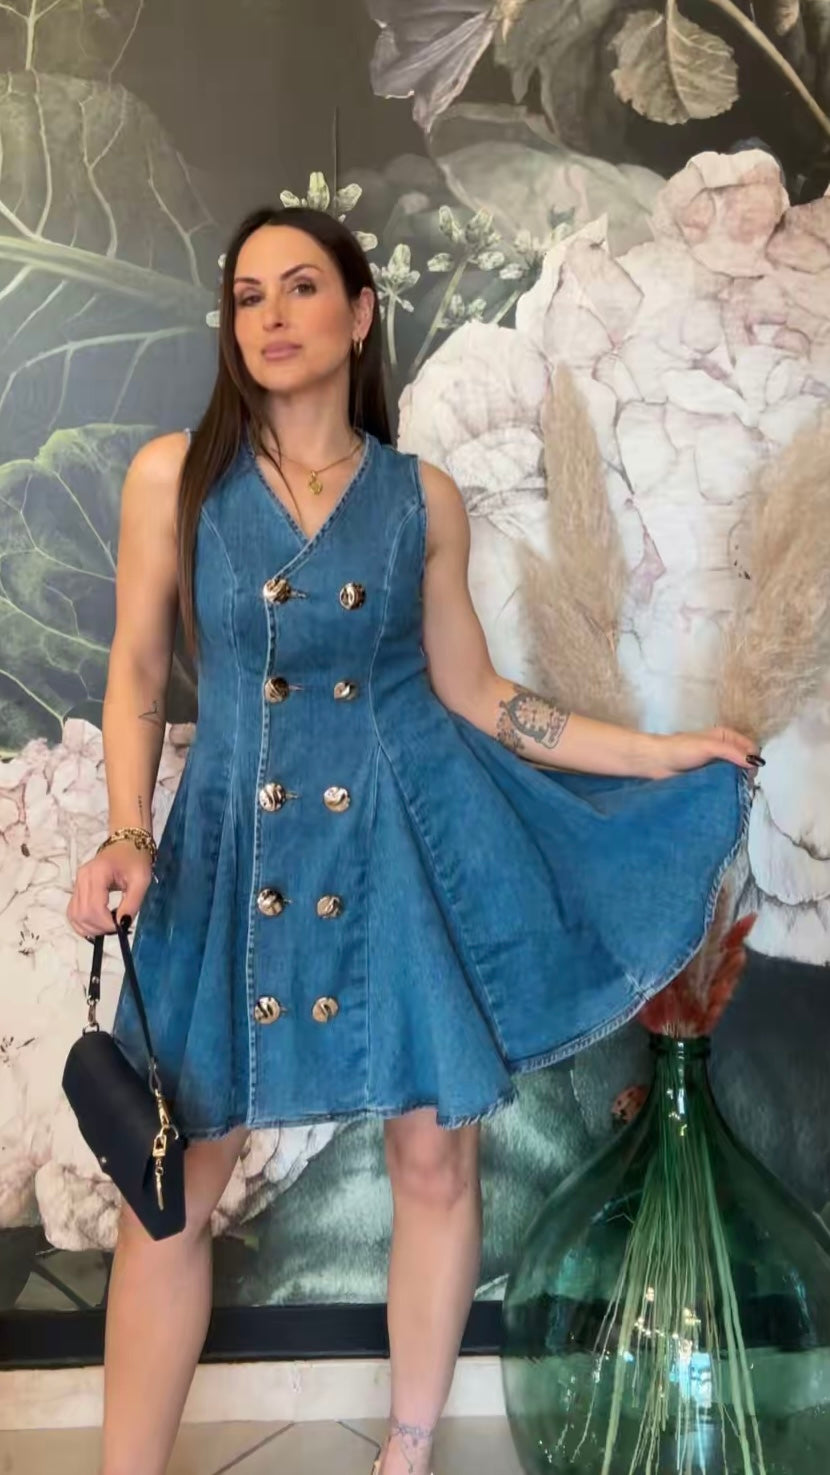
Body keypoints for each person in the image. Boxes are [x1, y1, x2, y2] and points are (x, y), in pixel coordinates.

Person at [66, 205, 758, 1475]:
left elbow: (479, 695)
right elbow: (137, 673)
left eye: (300, 287)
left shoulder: (418, 498)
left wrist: (657, 753)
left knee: (433, 1157)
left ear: (360, 314)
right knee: (169, 1190)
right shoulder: (173, 477)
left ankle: (406, 1447)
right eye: (246, 296)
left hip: (394, 849)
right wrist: (124, 829)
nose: (270, 316)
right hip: (228, 851)